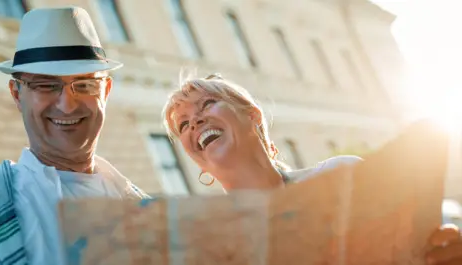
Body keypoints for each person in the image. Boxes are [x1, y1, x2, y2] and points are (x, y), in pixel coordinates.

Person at [162, 73, 462, 264]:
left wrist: (445, 255)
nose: (195, 122)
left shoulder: (343, 177)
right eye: (184, 124)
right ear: (198, 162)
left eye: (207, 104)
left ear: (253, 117)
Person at [0, 6, 148, 265]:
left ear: (105, 91)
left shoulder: (147, 210)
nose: (67, 105)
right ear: (17, 94)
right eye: (45, 85)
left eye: (85, 84)